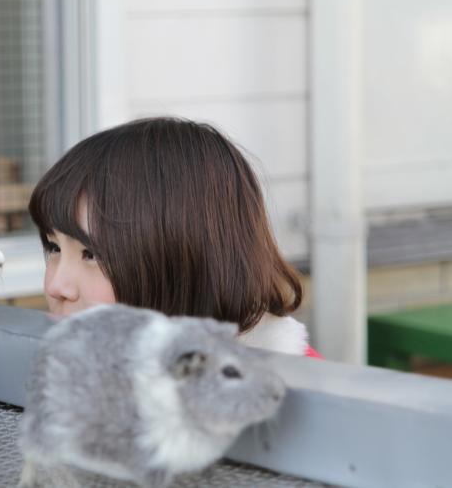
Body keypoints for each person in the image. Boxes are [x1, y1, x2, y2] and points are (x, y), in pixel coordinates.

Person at [28, 117, 321, 357]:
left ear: (183, 256)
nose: (56, 286)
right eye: (54, 247)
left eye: (90, 254)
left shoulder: (303, 406)